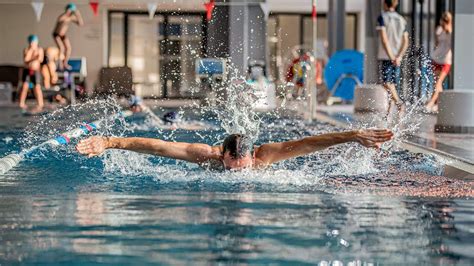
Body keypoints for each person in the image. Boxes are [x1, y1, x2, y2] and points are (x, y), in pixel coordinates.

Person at [76, 129, 393, 171]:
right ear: (222, 155)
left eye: (242, 168)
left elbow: (309, 143)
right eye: (232, 167)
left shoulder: (265, 156)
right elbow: (159, 147)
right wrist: (109, 142)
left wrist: (353, 135)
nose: (238, 174)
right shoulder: (207, 156)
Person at [376, 0, 409, 115]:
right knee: (392, 85)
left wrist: (391, 57)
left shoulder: (382, 18)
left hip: (386, 57)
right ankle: (389, 111)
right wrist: (399, 56)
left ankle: (399, 104)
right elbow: (406, 41)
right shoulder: (401, 19)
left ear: (385, 4)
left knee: (386, 83)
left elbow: (384, 40)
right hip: (397, 58)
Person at [425, 12, 452, 112]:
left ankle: (431, 103)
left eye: (446, 21)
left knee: (438, 83)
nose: (444, 23)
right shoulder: (439, 30)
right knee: (437, 83)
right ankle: (438, 104)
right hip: (437, 58)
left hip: (446, 60)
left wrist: (448, 30)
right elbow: (437, 43)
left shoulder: (451, 31)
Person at [53, 3, 83, 70]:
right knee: (61, 48)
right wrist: (67, 14)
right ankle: (60, 64)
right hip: (56, 34)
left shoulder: (71, 17)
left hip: (63, 35)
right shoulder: (63, 16)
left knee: (69, 48)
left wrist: (78, 14)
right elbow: (59, 19)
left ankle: (65, 63)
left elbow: (80, 24)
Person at [19, 35, 44, 111]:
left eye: (34, 42)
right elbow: (26, 59)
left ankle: (40, 103)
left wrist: (33, 56)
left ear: (37, 42)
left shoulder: (40, 49)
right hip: (27, 70)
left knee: (37, 87)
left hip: (35, 70)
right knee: (24, 86)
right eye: (31, 42)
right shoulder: (26, 49)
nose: (32, 43)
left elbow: (40, 59)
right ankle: (21, 103)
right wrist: (31, 51)